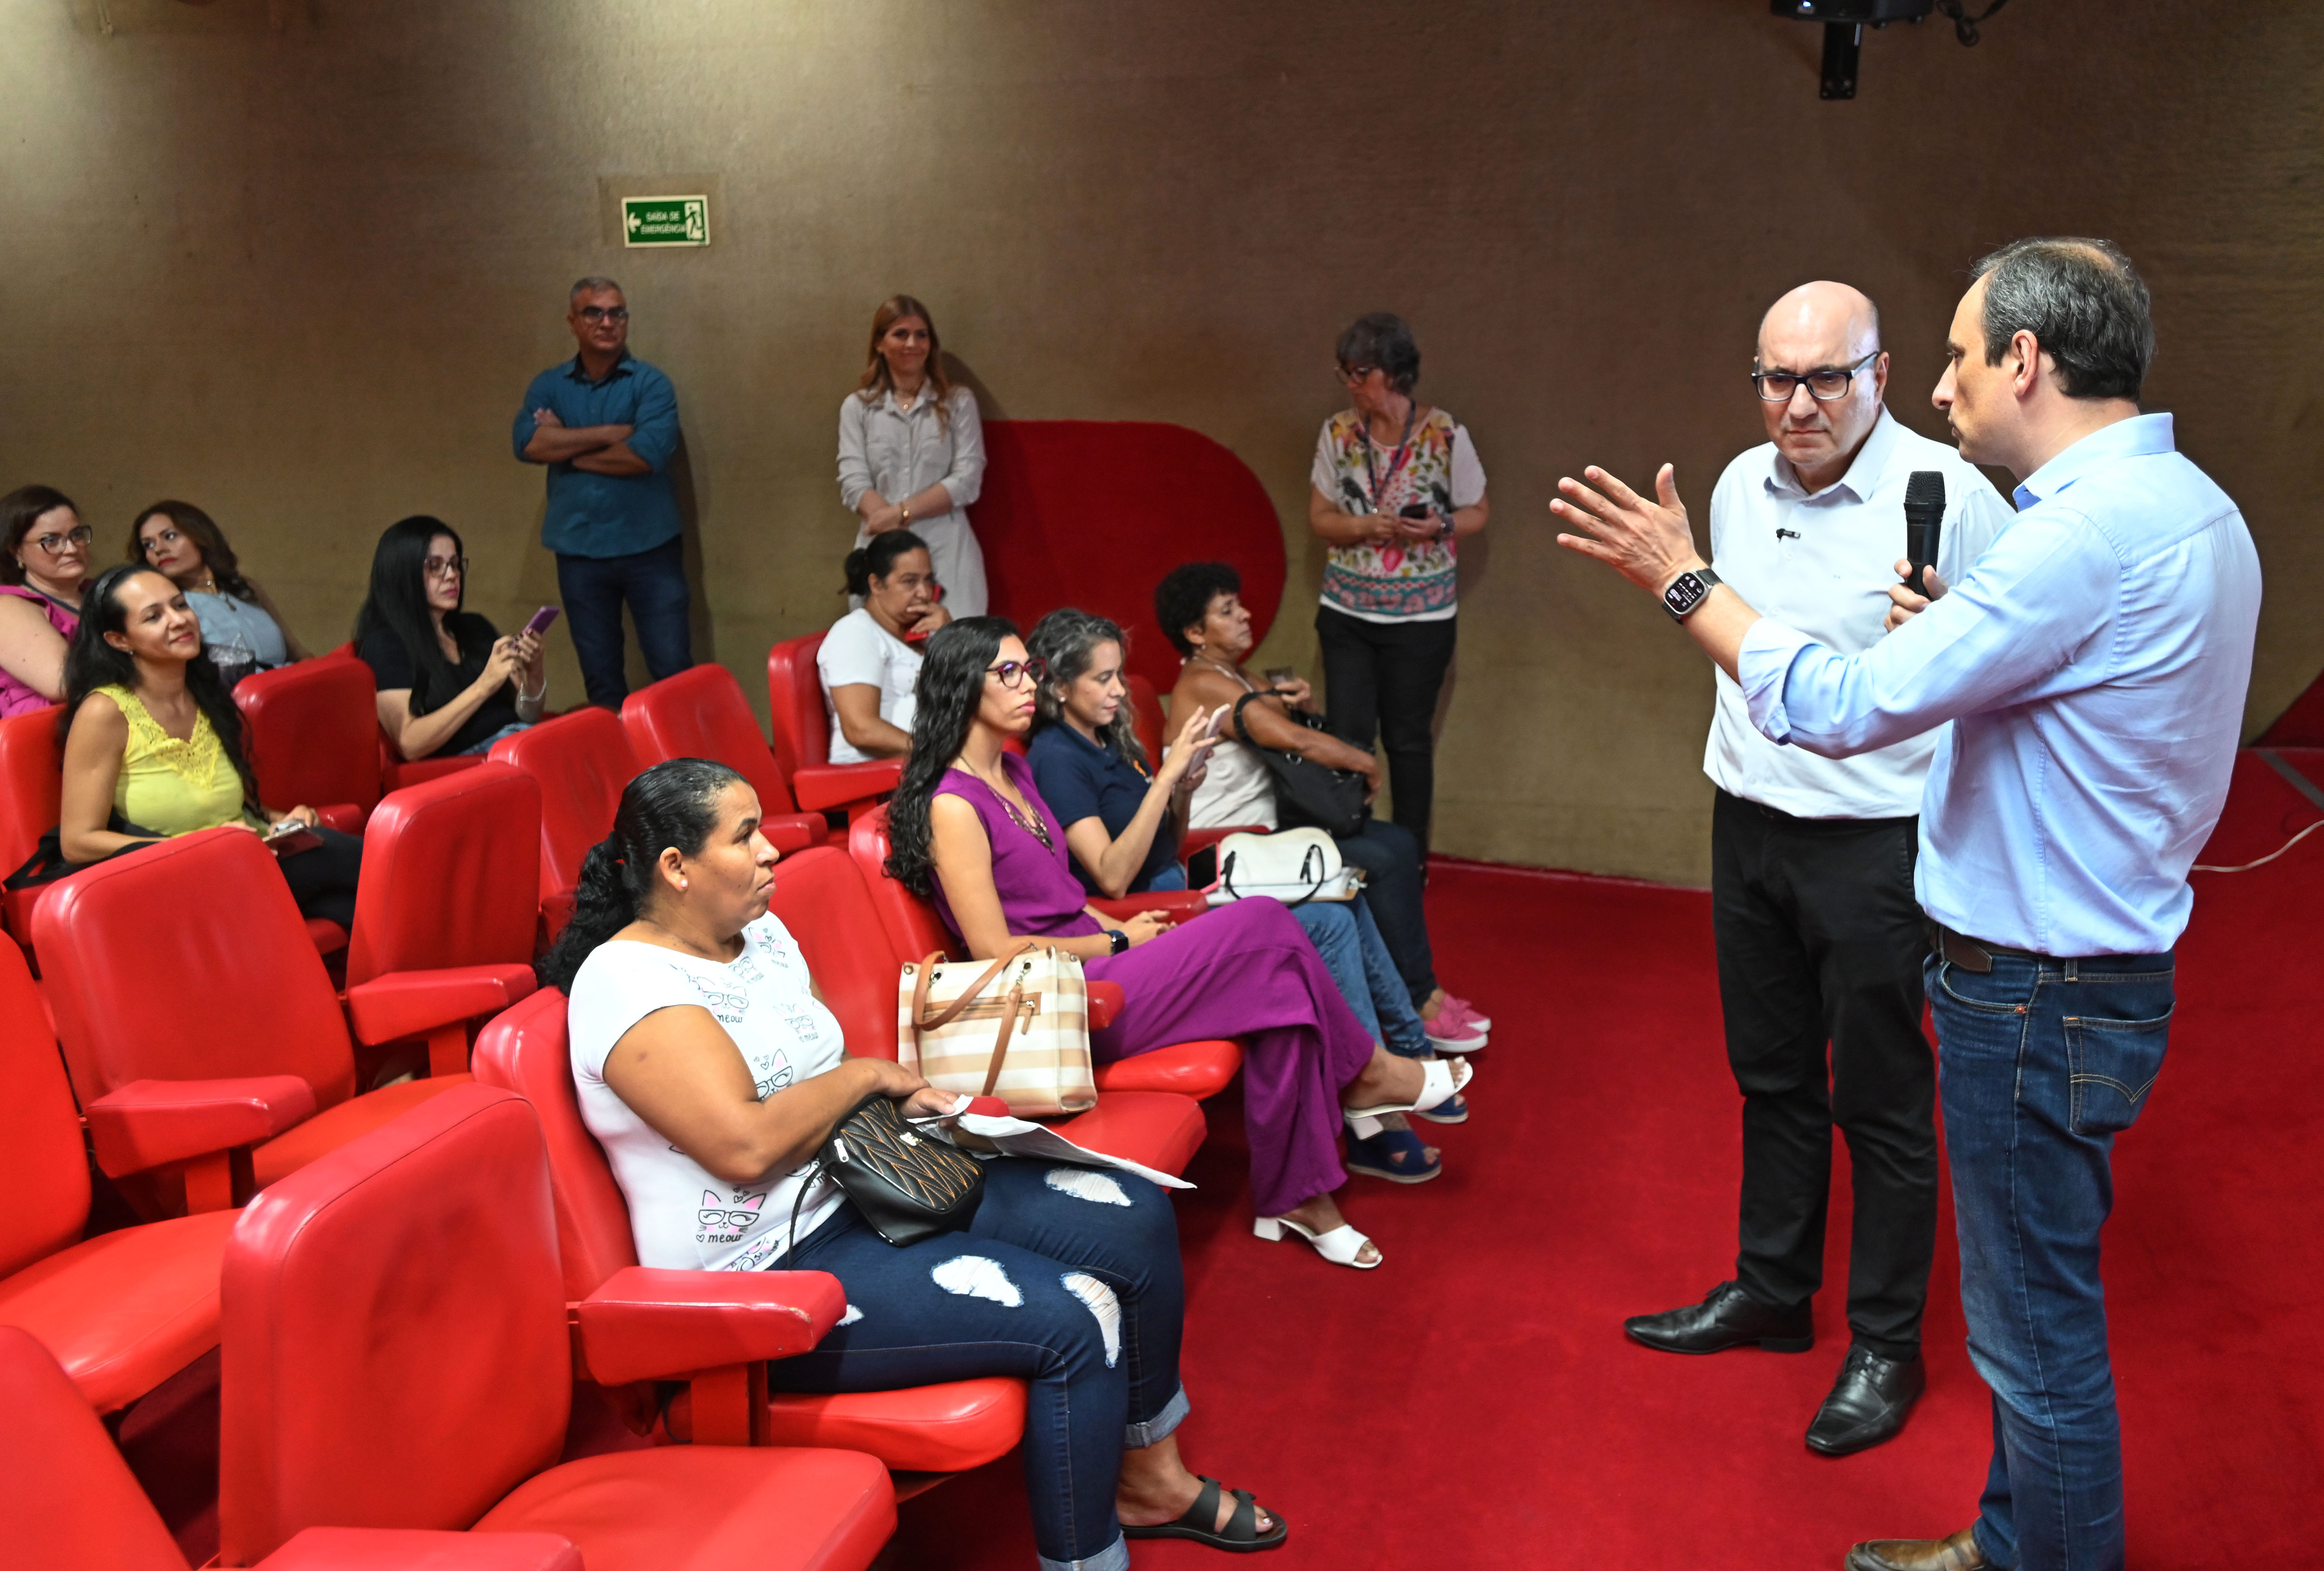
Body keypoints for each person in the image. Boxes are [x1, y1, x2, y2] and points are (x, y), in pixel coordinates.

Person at [1551, 239, 2260, 1571]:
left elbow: (1839, 704)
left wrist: (1678, 577)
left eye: (1947, 357)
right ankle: (1799, 1319)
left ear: (2024, 363)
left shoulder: (2049, 526)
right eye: (1777, 378)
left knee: (2024, 1328)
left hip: (2005, 944)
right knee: (1786, 1087)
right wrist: (1960, 641)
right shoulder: (2189, 507)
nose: (1943, 389)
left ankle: (1900, 1372)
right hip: (1989, 912)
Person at [540, 758, 1287, 1566]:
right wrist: (868, 1076)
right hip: (771, 1266)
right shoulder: (625, 982)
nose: (770, 854)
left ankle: (1152, 1477)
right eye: (745, 835)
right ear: (676, 867)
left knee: (1130, 1212)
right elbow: (745, 1144)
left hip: (865, 1181)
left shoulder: (758, 930)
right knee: (1077, 1314)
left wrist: (915, 1106)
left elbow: (812, 1055)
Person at [1619, 283, 2015, 1459]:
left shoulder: (1953, 500)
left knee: (1883, 1102)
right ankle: (1773, 1292)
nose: (1797, 404)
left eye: (1825, 378)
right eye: (1775, 378)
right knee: (1772, 1076)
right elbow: (1735, 637)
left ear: (1881, 375)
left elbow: (2010, 681)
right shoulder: (1739, 483)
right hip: (1747, 823)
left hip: (1879, 845)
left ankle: (1888, 1342)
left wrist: (1947, 642)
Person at [888, 617, 1470, 1270]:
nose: (1030, 686)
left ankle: (1299, 1197)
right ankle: (1366, 1074)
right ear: (962, 687)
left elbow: (1062, 894)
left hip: (1100, 961)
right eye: (1009, 673)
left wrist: (1112, 927)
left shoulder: (1015, 775)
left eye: (1029, 670)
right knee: (1264, 924)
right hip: (1062, 1003)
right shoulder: (953, 803)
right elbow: (993, 951)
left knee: (1282, 1001)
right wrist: (1111, 939)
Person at [1026, 607, 1457, 1182]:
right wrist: (1163, 781)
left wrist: (1183, 789)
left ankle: (1402, 1057)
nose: (1117, 691)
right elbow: (1110, 875)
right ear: (1058, 686)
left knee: (1342, 896)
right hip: (1147, 919)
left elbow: (1165, 843)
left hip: (1177, 891)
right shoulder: (1056, 756)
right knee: (1327, 920)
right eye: (1101, 679)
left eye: (1117, 675)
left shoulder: (1107, 738)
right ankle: (1371, 1105)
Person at [1158, 561, 1490, 1055]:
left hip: (1268, 827)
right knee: (1378, 859)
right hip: (1226, 843)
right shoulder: (1201, 683)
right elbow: (1293, 740)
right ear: (1194, 632)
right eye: (1228, 611)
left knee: (1397, 842)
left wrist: (1297, 701)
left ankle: (1419, 990)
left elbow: (1284, 722)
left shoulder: (1232, 673)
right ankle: (1418, 1000)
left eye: (1240, 604)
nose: (1247, 615)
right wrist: (1368, 765)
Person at [57, 565, 361, 927]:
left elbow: (221, 808)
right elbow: (77, 842)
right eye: (154, 617)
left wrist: (284, 820)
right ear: (119, 640)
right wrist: (204, 847)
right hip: (173, 880)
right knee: (356, 866)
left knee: (358, 909)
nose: (179, 620)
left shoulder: (203, 693)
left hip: (244, 861)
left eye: (180, 606)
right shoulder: (105, 711)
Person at [1305, 312, 1489, 858]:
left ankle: (1411, 858)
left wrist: (1439, 527)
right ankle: (1351, 853)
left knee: (1409, 742)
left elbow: (1477, 511)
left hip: (1421, 620)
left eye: (1360, 372)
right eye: (1345, 372)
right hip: (1348, 614)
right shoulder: (1338, 432)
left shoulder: (1444, 433)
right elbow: (1321, 519)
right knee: (1347, 737)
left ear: (1393, 372)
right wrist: (1365, 525)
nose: (1351, 384)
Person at [513, 276, 689, 708]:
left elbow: (645, 457)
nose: (608, 321)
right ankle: (617, 771)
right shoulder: (549, 386)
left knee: (673, 670)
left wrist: (567, 447)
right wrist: (612, 434)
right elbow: (529, 444)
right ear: (573, 321)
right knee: (601, 677)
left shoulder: (651, 384)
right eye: (595, 312)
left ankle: (689, 771)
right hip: (579, 553)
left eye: (618, 312)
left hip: (651, 549)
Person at [837, 295, 988, 618]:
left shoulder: (958, 402)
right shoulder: (858, 407)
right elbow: (853, 479)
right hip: (882, 551)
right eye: (900, 334)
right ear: (879, 343)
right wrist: (890, 529)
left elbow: (967, 479)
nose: (913, 343)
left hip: (947, 552)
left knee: (952, 654)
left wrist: (900, 515)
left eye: (922, 335)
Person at [355, 517, 546, 762]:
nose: (452, 575)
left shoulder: (475, 627)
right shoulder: (385, 645)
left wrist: (534, 671)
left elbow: (529, 714)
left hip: (518, 739)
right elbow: (409, 743)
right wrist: (483, 686)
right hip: (475, 760)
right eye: (435, 566)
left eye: (455, 564)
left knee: (595, 729)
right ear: (402, 573)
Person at [130, 500, 313, 682]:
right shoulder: (172, 608)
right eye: (148, 545)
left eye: (170, 537)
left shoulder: (246, 588)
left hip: (288, 692)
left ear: (201, 536)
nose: (159, 550)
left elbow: (298, 653)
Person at [818, 529, 948, 765]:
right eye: (910, 582)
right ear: (877, 585)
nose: (925, 593)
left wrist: (951, 637)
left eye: (928, 580)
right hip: (877, 775)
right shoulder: (856, 633)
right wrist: (938, 756)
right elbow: (861, 729)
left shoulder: (922, 636)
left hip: (920, 766)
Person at [0, 485, 89, 719]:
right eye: (51, 540)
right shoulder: (8, 606)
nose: (71, 548)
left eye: (76, 535)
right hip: (52, 739)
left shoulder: (101, 591)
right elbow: (65, 684)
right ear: (16, 551)